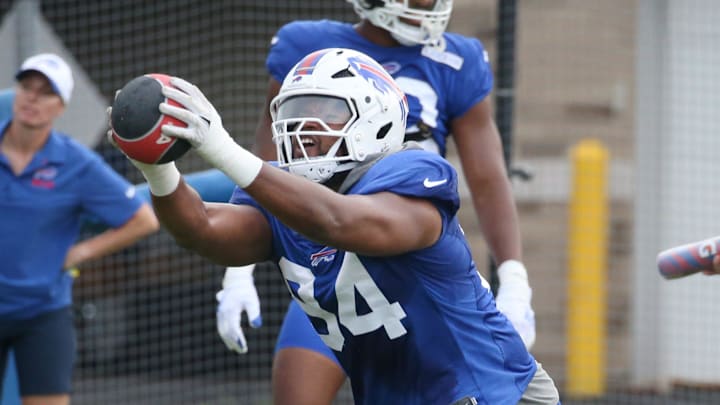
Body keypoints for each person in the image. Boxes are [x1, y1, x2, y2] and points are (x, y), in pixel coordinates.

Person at [116, 47, 559, 404]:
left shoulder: (412, 172)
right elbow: (203, 230)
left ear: (374, 115)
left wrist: (225, 150)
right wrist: (158, 171)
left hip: (492, 392)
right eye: (290, 111)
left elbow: (340, 221)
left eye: (323, 110)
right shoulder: (281, 195)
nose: (300, 126)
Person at [214, 1, 537, 404]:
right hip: (324, 263)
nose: (429, 6)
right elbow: (270, 166)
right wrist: (238, 271)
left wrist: (515, 279)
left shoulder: (457, 60)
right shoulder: (307, 46)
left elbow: (488, 179)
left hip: (409, 255)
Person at [0, 53, 159, 405]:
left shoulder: (76, 163)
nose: (33, 98)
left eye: (46, 92)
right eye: (27, 87)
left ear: (61, 106)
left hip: (42, 313)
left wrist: (80, 252)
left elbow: (143, 220)